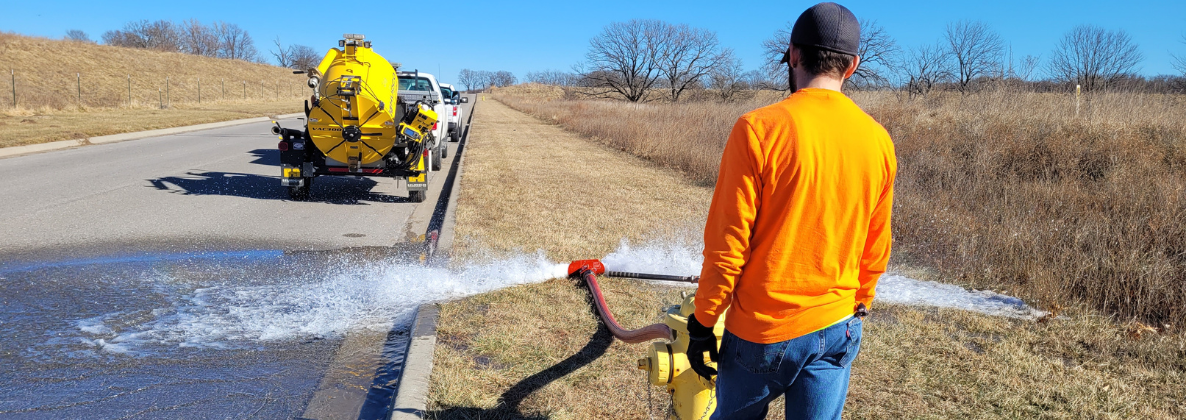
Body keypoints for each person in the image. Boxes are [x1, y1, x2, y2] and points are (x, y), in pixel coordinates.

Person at [683, 3, 897, 419]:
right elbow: (877, 242)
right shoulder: (878, 140)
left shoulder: (758, 129)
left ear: (794, 54)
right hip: (839, 325)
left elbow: (728, 245)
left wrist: (704, 321)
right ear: (852, 66)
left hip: (761, 334)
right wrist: (862, 300)